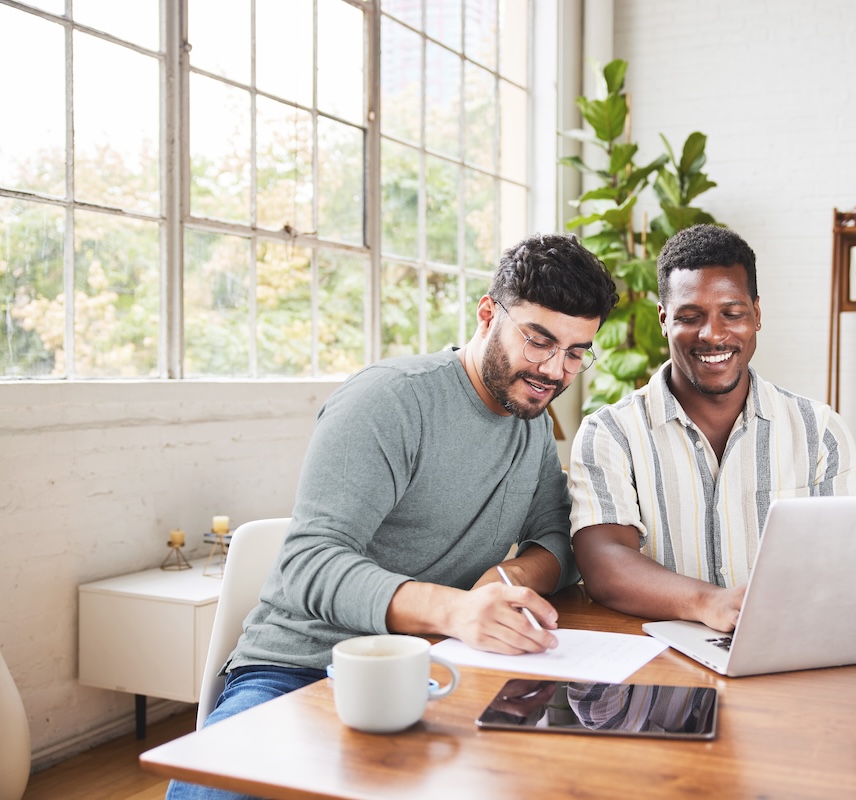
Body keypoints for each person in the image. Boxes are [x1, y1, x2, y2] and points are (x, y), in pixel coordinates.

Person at [168, 233, 617, 800]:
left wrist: (507, 579)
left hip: (434, 665)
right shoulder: (389, 402)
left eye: (576, 352)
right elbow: (310, 561)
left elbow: (558, 533)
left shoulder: (528, 421)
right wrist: (454, 609)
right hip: (304, 665)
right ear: (487, 315)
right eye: (538, 341)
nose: (554, 370)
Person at [568, 224, 856, 633]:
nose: (713, 334)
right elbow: (603, 562)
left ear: (756, 315)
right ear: (664, 320)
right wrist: (709, 603)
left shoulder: (819, 432)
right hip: (655, 663)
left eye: (732, 313)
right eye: (690, 316)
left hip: (783, 648)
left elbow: (840, 562)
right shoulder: (610, 434)